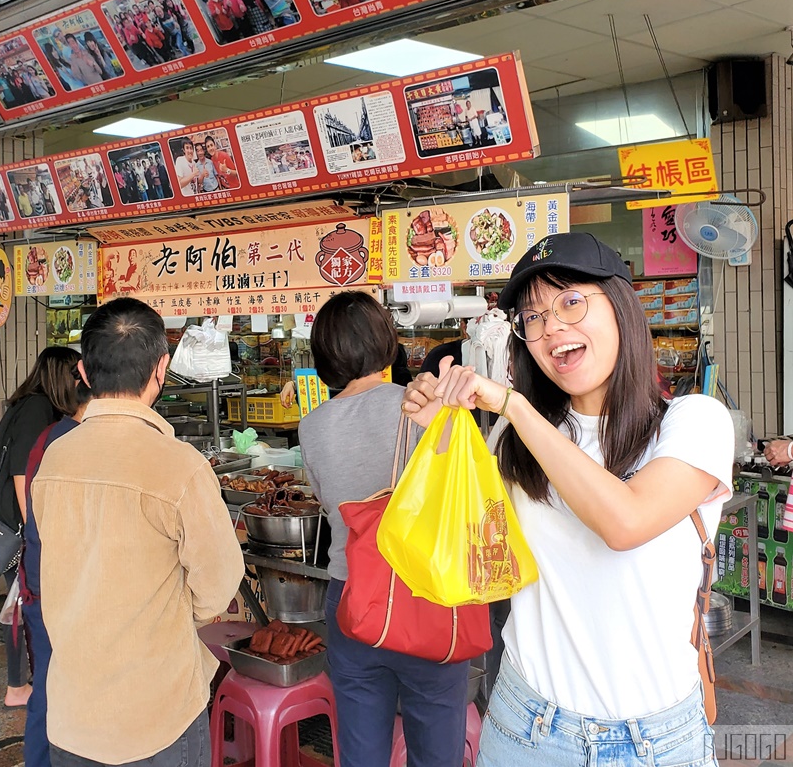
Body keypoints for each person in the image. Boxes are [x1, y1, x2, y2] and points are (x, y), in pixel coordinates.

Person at [402, 233, 734, 766]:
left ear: (622, 307)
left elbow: (625, 521)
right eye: (532, 318)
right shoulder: (515, 440)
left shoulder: (692, 422)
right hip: (524, 725)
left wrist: (513, 406)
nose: (552, 326)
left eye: (572, 302)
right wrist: (440, 432)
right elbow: (473, 553)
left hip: (656, 741)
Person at [32, 297, 245, 767]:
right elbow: (219, 582)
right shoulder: (180, 466)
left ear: (84, 372)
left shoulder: (54, 458)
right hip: (157, 715)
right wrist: (173, 612)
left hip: (72, 713)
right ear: (161, 369)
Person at [298, 292, 470, 767]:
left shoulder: (312, 426)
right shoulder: (423, 407)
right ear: (386, 342)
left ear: (324, 356)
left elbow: (325, 498)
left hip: (352, 594)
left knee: (360, 749)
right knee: (436, 746)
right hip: (427, 592)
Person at [0, 346, 81, 709]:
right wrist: (36, 530)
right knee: (20, 603)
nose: (79, 382)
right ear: (62, 376)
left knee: (19, 601)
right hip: (13, 524)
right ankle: (17, 687)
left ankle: (26, 681)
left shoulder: (29, 404)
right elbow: (22, 474)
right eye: (75, 375)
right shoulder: (36, 409)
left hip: (10, 520)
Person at [20, 377, 92, 767]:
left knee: (51, 688)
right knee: (50, 691)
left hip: (45, 578)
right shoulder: (69, 443)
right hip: (52, 583)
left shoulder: (53, 434)